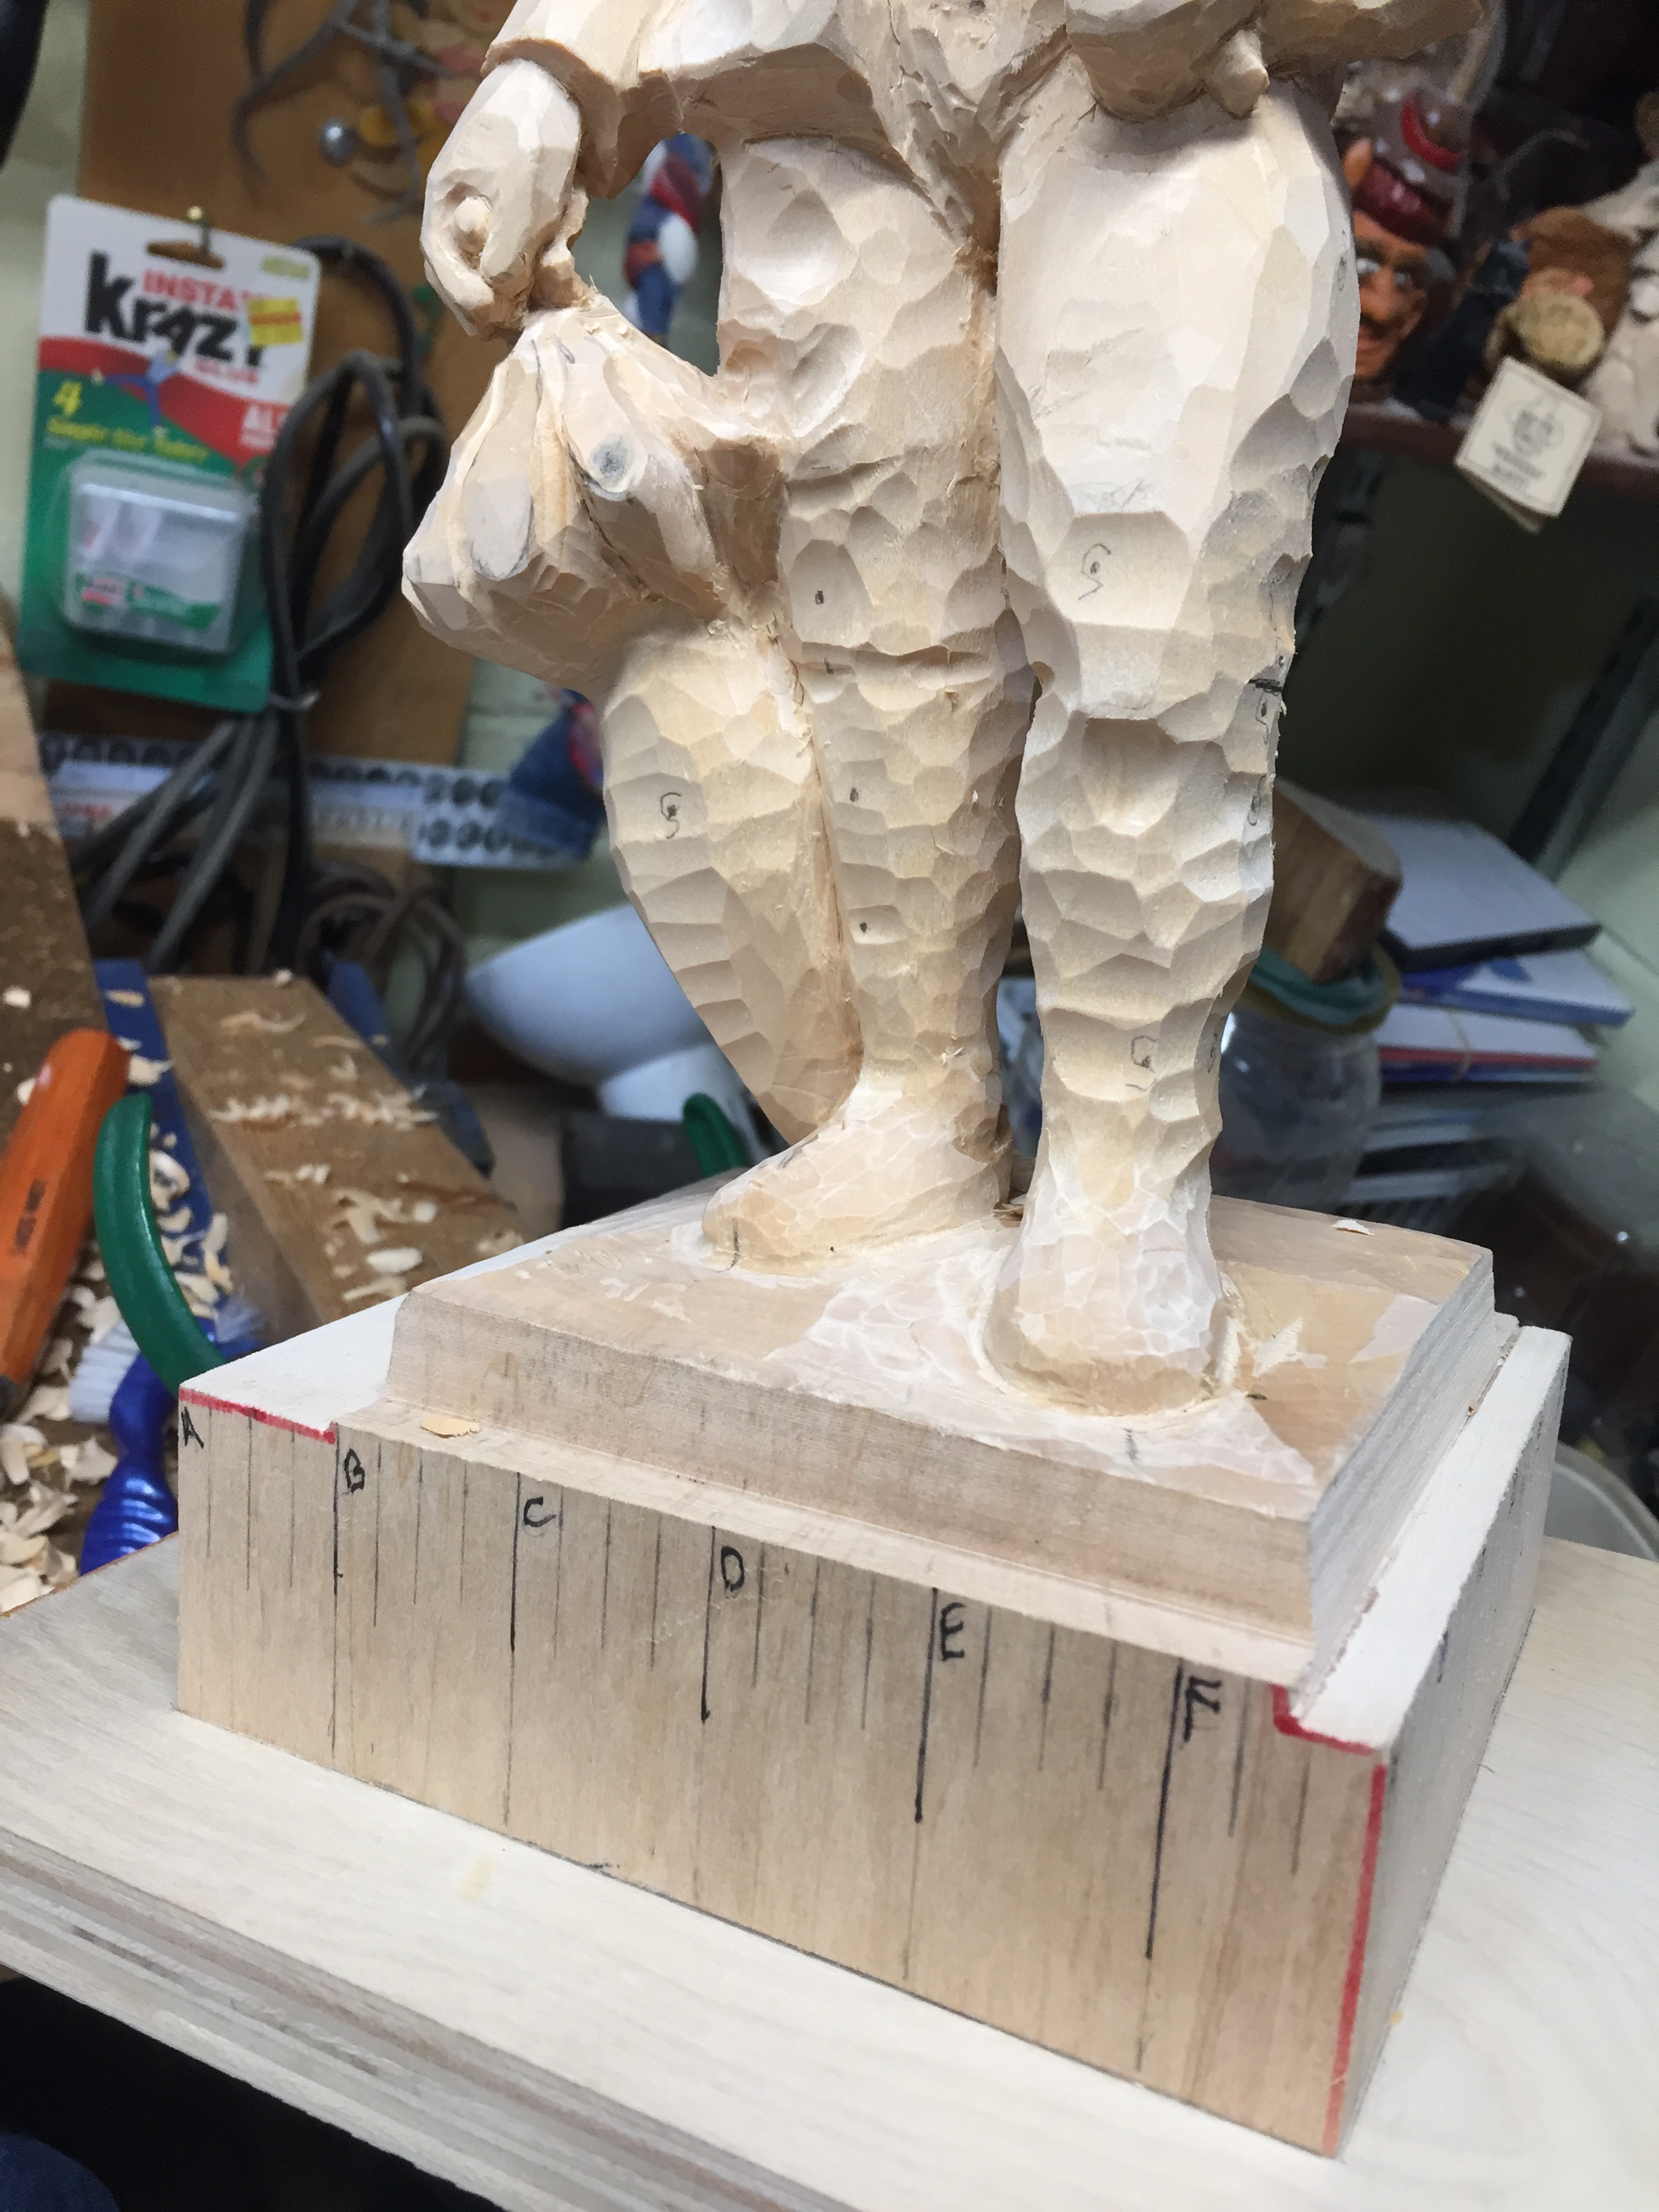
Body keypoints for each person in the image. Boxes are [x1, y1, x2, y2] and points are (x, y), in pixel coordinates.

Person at [411, 0, 1476, 1416]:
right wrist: (557, 70)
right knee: (871, 634)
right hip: (824, 77)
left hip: (1163, 77)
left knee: (1148, 636)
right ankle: (921, 1102)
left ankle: (1119, 1176)